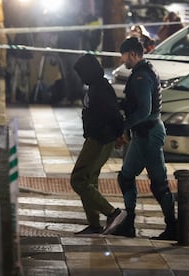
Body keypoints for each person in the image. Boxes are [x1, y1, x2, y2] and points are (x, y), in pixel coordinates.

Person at [113, 37, 177, 240]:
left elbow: (143, 110)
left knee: (159, 184)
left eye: (124, 56)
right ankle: (129, 223)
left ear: (132, 54)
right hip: (143, 134)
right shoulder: (144, 71)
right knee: (126, 177)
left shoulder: (141, 76)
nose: (122, 60)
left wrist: (124, 126)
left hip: (148, 134)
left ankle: (173, 227)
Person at [71, 54, 127, 235]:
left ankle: (112, 212)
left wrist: (119, 134)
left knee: (78, 180)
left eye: (82, 73)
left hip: (100, 139)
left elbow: (113, 113)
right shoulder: (95, 86)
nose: (81, 77)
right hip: (96, 137)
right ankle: (94, 224)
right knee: (89, 180)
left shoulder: (100, 88)